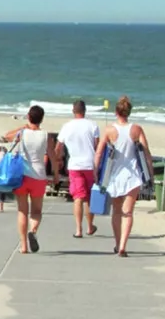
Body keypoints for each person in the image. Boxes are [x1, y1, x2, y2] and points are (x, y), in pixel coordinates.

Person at [94, 96, 152, 257]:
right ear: (129, 112)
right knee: (128, 213)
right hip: (133, 176)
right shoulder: (136, 129)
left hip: (114, 176)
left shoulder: (109, 130)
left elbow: (99, 152)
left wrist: (95, 171)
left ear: (116, 112)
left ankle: (117, 243)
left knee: (117, 212)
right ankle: (123, 247)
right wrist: (150, 173)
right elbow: (146, 153)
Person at [3, 105, 56, 254]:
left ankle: (24, 246)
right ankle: (32, 230)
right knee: (37, 211)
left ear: (28, 116)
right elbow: (52, 156)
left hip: (22, 176)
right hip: (39, 176)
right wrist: (56, 173)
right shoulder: (46, 136)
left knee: (22, 210)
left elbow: (7, 136)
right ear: (42, 119)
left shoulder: (23, 133)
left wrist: (23, 127)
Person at [56, 99, 101, 238]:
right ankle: (89, 226)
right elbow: (97, 147)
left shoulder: (67, 126)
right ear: (85, 111)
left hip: (75, 165)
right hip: (89, 164)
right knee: (89, 197)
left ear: (73, 111)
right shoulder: (93, 125)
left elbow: (59, 147)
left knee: (78, 197)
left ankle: (78, 229)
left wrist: (58, 161)